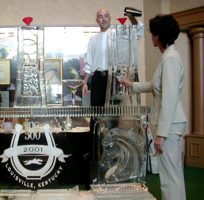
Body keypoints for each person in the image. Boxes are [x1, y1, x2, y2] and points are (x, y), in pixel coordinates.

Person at [121, 15, 187, 200]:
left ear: (158, 36)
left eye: (152, 34)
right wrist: (131, 84)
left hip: (170, 125)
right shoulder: (168, 56)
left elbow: (170, 98)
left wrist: (161, 135)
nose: (151, 38)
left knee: (170, 178)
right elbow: (154, 85)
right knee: (173, 175)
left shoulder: (170, 58)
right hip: (170, 124)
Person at [81, 8, 143, 188]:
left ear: (110, 19)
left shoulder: (119, 34)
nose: (103, 19)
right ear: (96, 20)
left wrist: (131, 18)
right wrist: (86, 82)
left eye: (106, 16)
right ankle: (95, 153)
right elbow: (89, 62)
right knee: (96, 117)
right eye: (100, 16)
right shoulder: (92, 39)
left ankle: (112, 155)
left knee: (113, 119)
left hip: (114, 77)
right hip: (98, 79)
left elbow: (137, 32)